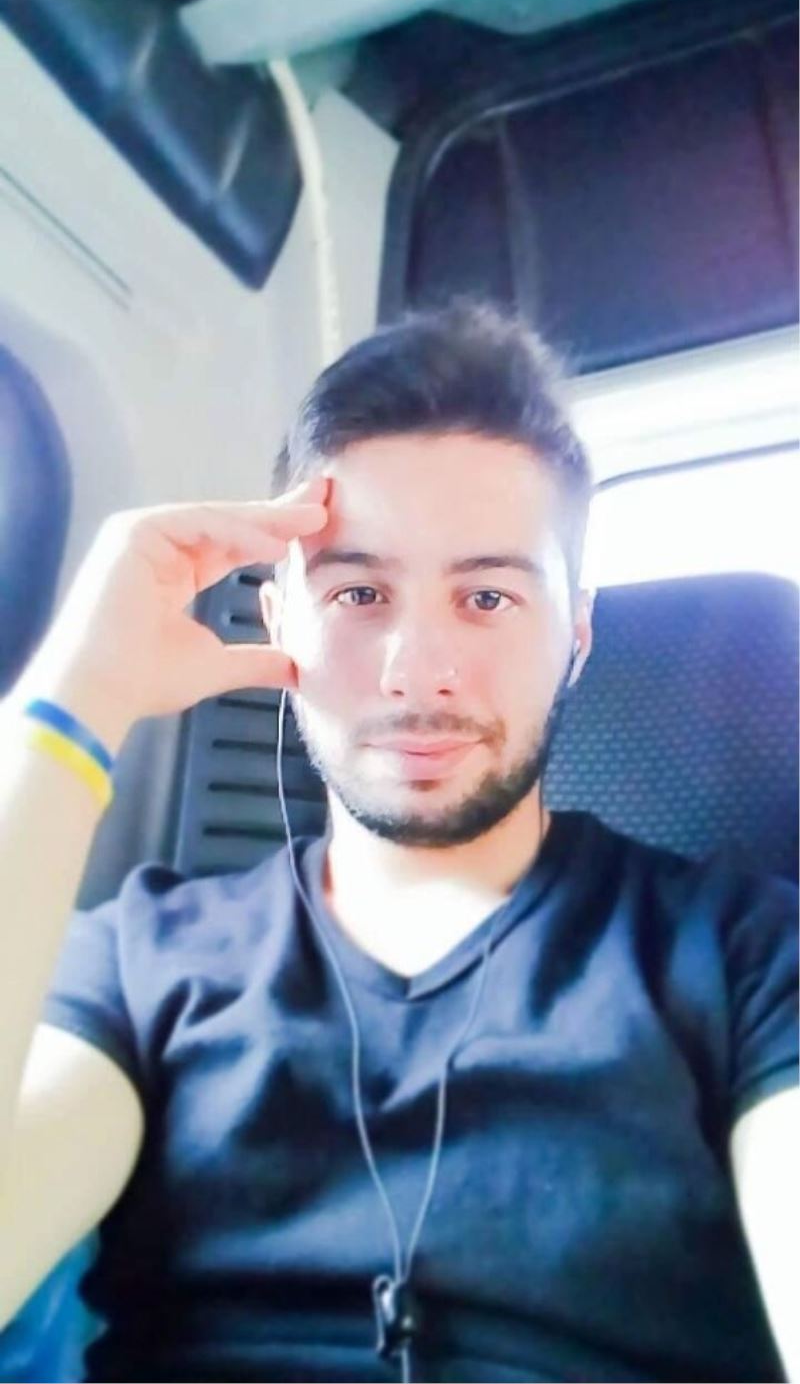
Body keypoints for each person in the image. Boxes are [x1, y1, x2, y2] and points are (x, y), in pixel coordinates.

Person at [0, 303, 796, 1384]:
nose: (417, 669)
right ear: (278, 620)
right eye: (360, 592)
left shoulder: (747, 959)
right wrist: (69, 702)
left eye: (486, 596)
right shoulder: (144, 962)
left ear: (575, 635)